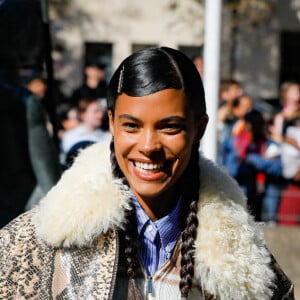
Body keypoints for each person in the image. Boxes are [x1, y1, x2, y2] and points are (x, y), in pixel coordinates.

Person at [0, 47, 294, 299]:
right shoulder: (34, 244)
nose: (149, 146)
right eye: (131, 126)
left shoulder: (245, 261)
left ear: (199, 129)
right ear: (112, 123)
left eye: (170, 127)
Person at [60, 97, 111, 166]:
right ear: (83, 114)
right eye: (95, 111)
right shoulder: (70, 137)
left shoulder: (108, 137)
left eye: (100, 111)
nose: (100, 115)